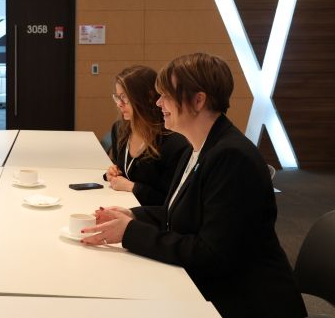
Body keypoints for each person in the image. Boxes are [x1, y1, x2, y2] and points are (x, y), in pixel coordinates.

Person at [82, 53, 306, 318]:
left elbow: (211, 254)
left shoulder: (231, 157)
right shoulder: (198, 147)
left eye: (166, 95)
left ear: (198, 101)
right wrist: (133, 214)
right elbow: (182, 214)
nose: (158, 102)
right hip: (214, 287)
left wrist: (130, 232)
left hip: (245, 302)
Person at [103, 66, 188, 205]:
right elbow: (125, 170)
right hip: (120, 205)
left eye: (124, 97)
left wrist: (132, 187)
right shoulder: (119, 130)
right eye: (117, 97)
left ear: (148, 97)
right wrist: (113, 172)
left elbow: (169, 201)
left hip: (148, 215)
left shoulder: (172, 141)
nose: (119, 104)